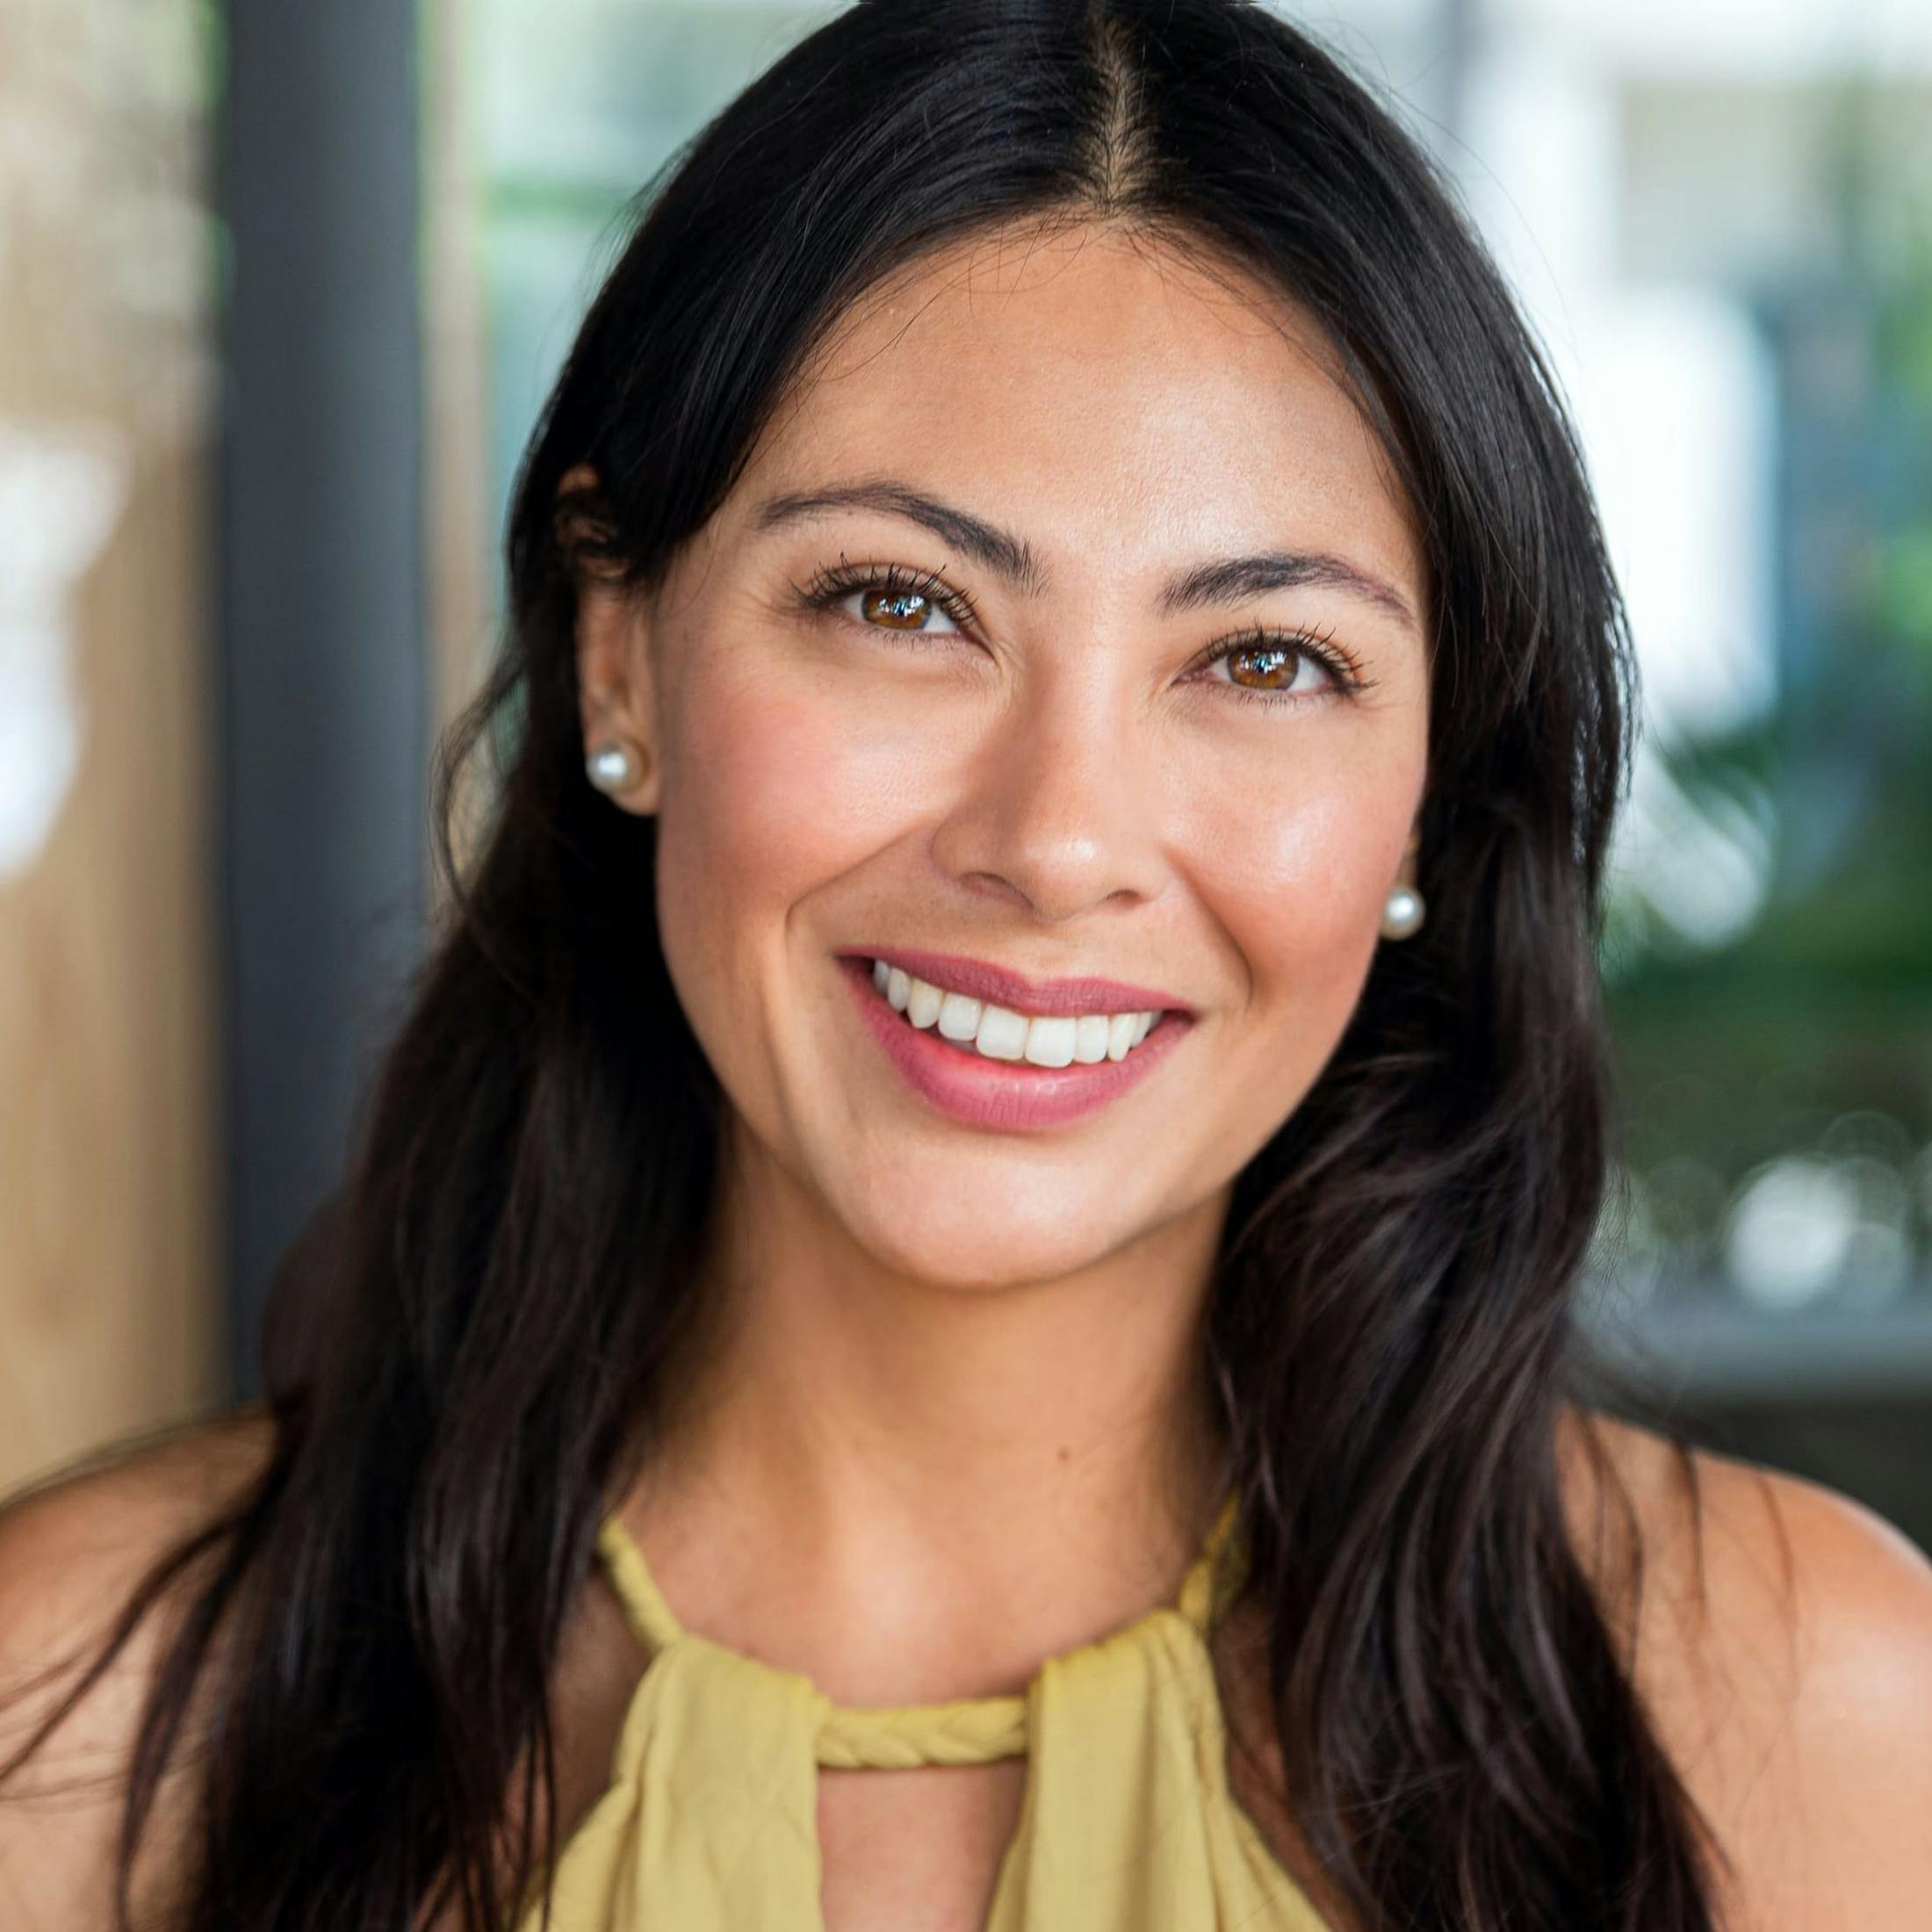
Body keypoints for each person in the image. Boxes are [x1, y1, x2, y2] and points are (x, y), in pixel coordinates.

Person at [4, 2, 1931, 1928]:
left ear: (1429, 794)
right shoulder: (72, 1730)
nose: (1057, 835)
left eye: (1262, 659)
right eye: (899, 605)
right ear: (618, 658)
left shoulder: (1807, 1718)